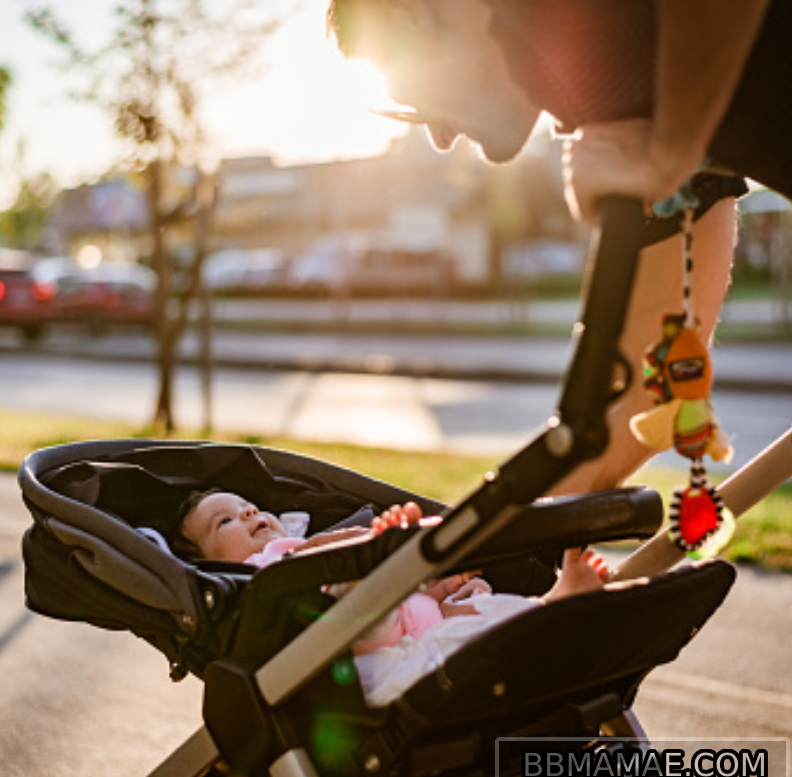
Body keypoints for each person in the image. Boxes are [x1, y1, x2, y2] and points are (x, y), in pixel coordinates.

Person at [325, 0, 759, 494]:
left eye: (416, 101)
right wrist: (485, 552)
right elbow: (646, 402)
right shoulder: (604, 101)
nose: (440, 138)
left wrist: (667, 151)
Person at [166, 490, 609, 704]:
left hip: (412, 620)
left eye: (249, 506)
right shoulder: (264, 570)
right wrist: (366, 545)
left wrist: (448, 587)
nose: (247, 513)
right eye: (224, 523)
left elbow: (416, 599)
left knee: (479, 611)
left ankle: (552, 602)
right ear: (209, 560)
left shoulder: (301, 544)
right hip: (359, 652)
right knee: (443, 641)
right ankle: (379, 562)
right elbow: (317, 555)